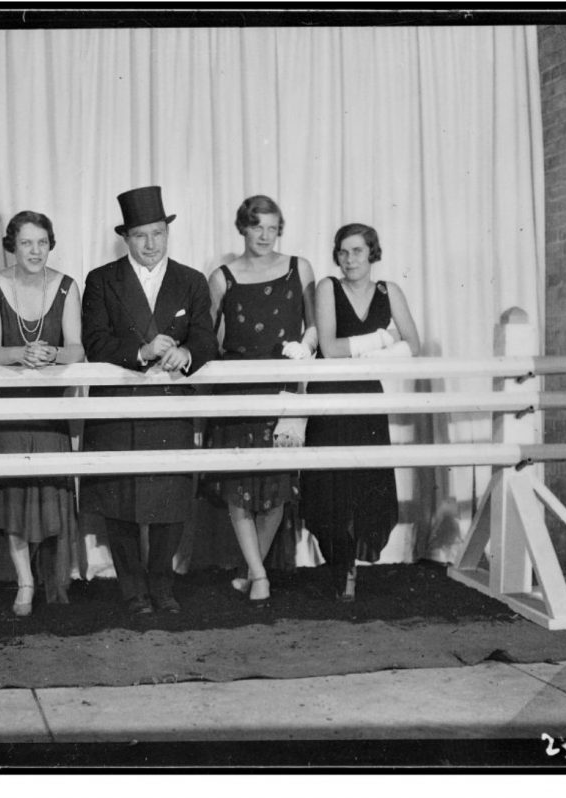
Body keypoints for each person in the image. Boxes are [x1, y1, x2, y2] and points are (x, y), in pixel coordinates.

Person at [81, 186, 218, 615]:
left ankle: (162, 585)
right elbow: (94, 340)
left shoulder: (191, 280)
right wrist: (140, 352)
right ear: (126, 237)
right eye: (141, 235)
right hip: (119, 406)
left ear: (167, 233)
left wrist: (187, 352)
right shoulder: (102, 280)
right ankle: (133, 590)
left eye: (157, 233)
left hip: (169, 404)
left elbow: (206, 337)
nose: (150, 244)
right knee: (119, 500)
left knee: (171, 499)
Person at [203, 195, 317, 605]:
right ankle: (259, 574)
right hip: (238, 391)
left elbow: (315, 328)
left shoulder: (298, 268)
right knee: (239, 487)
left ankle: (254, 570)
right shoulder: (222, 277)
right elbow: (208, 340)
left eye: (272, 228)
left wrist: (305, 347)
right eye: (257, 228)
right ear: (243, 229)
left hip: (284, 387)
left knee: (277, 487)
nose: (265, 236)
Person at [302, 222, 420, 601]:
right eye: (343, 251)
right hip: (330, 397)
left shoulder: (389, 291)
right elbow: (331, 349)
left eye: (357, 251)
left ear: (372, 253)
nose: (349, 259)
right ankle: (339, 571)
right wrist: (383, 340)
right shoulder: (327, 287)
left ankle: (351, 571)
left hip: (368, 397)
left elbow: (413, 345)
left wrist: (387, 347)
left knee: (365, 485)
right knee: (332, 488)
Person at [0, 210, 84, 617]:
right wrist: (20, 354)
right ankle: (24, 580)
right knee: (14, 499)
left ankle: (48, 576)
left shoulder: (66, 286)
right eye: (26, 243)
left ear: (50, 244)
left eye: (41, 242)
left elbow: (76, 347)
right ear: (13, 245)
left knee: (47, 497)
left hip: (48, 410)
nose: (35, 251)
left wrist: (53, 353)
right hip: (5, 410)